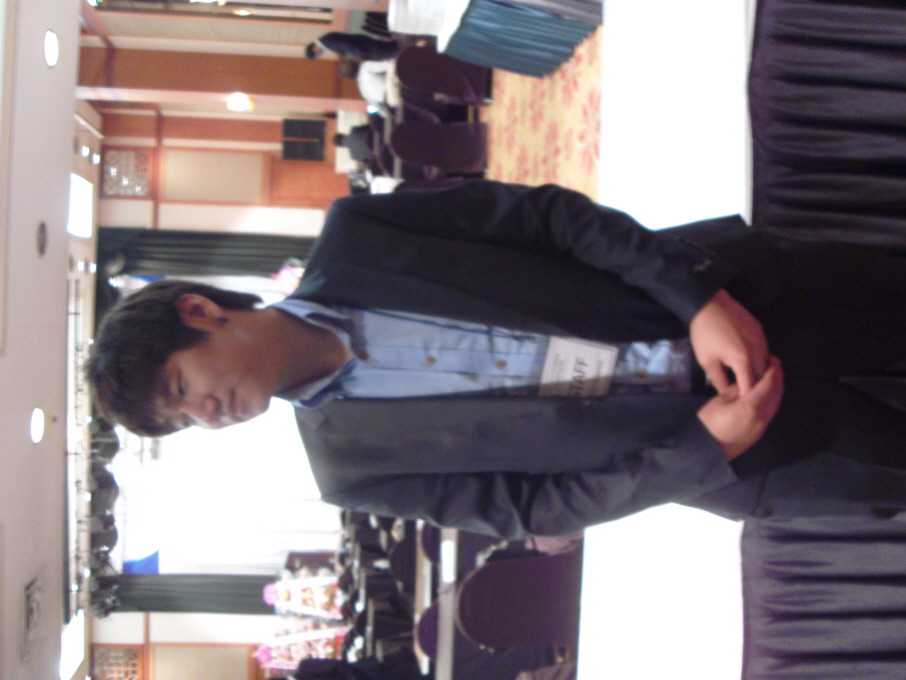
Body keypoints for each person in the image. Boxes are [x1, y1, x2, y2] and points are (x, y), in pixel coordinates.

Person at [86, 181, 906, 539]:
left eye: (182, 387)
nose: (206, 417)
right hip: (748, 454)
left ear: (199, 313)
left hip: (753, 300)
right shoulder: (351, 471)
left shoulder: (361, 234)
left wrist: (697, 300)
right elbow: (536, 511)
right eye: (183, 422)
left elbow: (550, 221)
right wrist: (705, 450)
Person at [306, 32, 400, 62]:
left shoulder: (326, 42)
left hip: (361, 47)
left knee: (386, 51)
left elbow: (345, 44)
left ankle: (404, 50)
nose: (320, 55)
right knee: (385, 48)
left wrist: (358, 54)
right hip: (360, 43)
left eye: (317, 55)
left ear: (314, 49)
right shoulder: (325, 40)